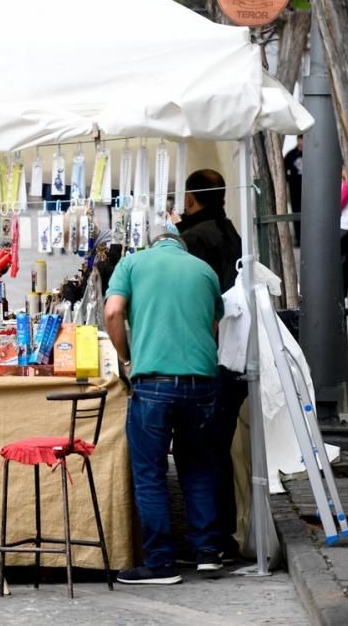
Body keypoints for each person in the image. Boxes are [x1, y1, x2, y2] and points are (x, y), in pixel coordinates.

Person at [105, 233, 224, 585]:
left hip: (153, 381)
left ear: (155, 245)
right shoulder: (205, 270)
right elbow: (213, 325)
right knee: (199, 465)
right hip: (201, 383)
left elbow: (113, 311)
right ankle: (207, 552)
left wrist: (127, 357)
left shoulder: (132, 263)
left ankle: (160, 563)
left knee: (150, 473)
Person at [174, 169, 244, 563]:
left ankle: (213, 538)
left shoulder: (195, 239)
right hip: (232, 353)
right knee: (215, 447)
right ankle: (220, 535)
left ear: (190, 199)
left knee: (202, 449)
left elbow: (199, 300)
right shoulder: (228, 229)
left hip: (213, 354)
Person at [285, 135, 303, 247]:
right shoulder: (290, 155)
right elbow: (283, 170)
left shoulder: (311, 154)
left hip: (309, 192)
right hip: (295, 190)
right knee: (296, 213)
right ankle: (298, 238)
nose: (302, 143)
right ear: (298, 140)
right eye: (300, 140)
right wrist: (290, 181)